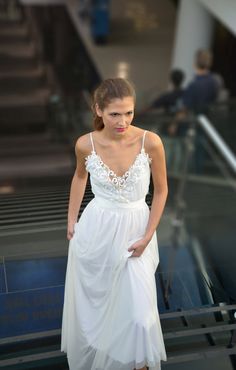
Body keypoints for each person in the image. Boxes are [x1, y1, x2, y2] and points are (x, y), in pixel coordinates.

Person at [61, 78, 168, 370]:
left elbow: (161, 190)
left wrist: (148, 236)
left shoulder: (151, 141)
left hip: (137, 230)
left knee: (141, 316)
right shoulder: (85, 144)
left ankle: (141, 365)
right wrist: (72, 218)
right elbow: (80, 177)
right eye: (114, 114)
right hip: (97, 229)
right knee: (102, 307)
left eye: (129, 113)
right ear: (98, 110)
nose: (123, 121)